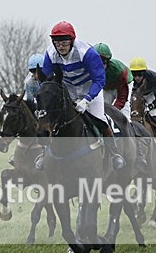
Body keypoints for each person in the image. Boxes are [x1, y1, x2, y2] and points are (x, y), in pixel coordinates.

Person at [35, 21, 124, 171]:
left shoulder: (87, 52)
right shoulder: (50, 53)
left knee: (100, 118)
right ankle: (44, 155)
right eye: (57, 43)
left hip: (90, 89)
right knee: (53, 121)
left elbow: (99, 80)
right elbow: (46, 81)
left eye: (64, 42)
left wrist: (87, 99)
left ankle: (114, 153)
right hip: (68, 90)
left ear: (72, 41)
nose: (60, 46)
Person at [129, 57, 156, 148]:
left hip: (149, 95)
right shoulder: (129, 79)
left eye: (140, 74)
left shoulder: (154, 78)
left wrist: (150, 106)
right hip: (134, 95)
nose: (137, 77)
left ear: (144, 73)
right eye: (134, 74)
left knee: (154, 114)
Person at [93, 43, 132, 120]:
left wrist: (114, 110)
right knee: (103, 109)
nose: (100, 65)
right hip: (107, 87)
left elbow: (122, 97)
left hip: (124, 84)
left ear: (108, 61)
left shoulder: (118, 71)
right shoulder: (89, 69)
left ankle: (130, 127)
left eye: (103, 61)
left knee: (124, 111)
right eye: (97, 61)